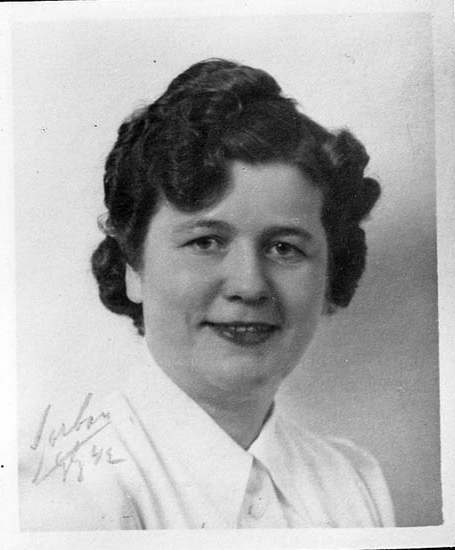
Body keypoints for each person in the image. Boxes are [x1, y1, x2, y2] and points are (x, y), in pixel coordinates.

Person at [23, 58, 395, 530]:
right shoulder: (61, 489)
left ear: (329, 274)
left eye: (284, 248)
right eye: (206, 242)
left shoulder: (354, 481)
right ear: (133, 265)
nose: (249, 286)